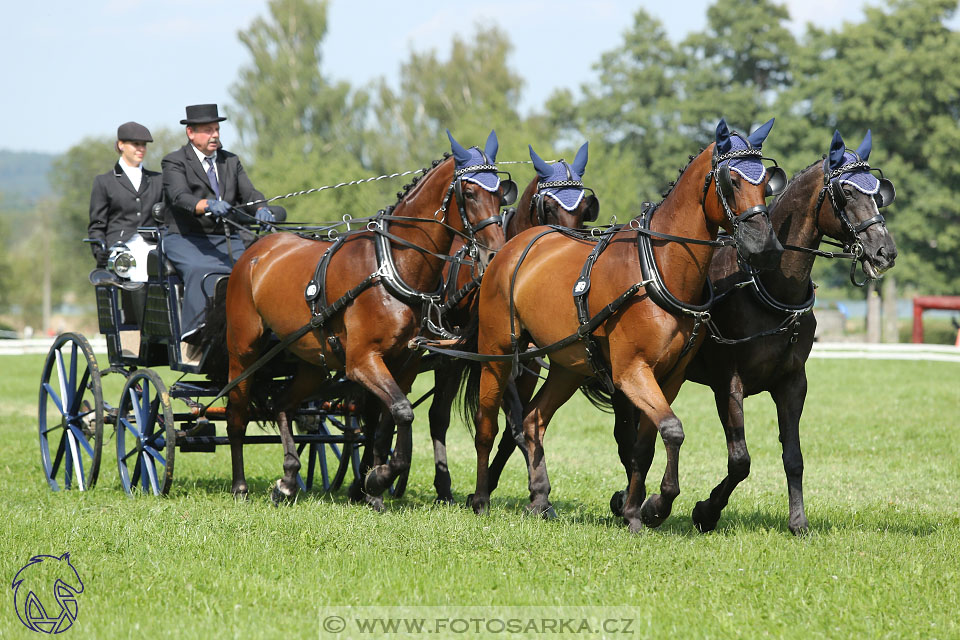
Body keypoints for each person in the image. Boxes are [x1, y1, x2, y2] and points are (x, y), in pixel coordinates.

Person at [161, 103, 280, 341]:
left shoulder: (230, 161)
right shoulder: (174, 161)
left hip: (225, 237)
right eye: (208, 130)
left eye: (216, 129)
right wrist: (207, 204)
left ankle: (262, 327)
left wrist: (262, 208)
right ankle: (196, 332)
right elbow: (179, 196)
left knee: (255, 269)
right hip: (186, 238)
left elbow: (250, 193)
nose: (214, 135)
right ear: (191, 133)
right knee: (200, 270)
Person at [87, 122, 164, 267]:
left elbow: (165, 220)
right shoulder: (104, 182)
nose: (141, 149)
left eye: (144, 145)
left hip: (152, 246)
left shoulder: (158, 180)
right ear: (121, 145)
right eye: (136, 144)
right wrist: (99, 251)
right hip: (119, 247)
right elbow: (97, 224)